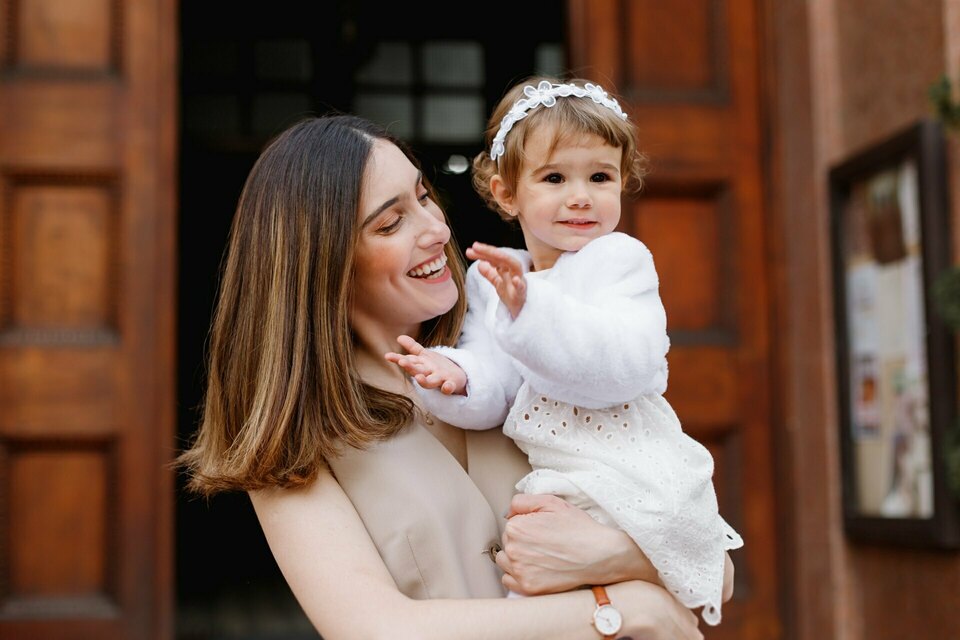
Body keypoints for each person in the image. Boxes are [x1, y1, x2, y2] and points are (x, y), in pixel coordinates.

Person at [177, 112, 719, 639]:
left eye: (424, 196)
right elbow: (374, 628)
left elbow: (715, 562)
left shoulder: (536, 347)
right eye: (391, 222)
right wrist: (625, 607)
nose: (436, 229)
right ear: (322, 263)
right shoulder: (292, 435)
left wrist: (610, 554)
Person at [386, 76, 743, 625]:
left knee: (643, 601)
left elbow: (624, 363)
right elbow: (499, 381)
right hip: (558, 474)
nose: (580, 195)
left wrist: (532, 314)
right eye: (554, 177)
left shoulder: (619, 263)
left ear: (622, 183)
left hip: (628, 462)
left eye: (600, 176)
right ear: (507, 193)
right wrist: (455, 376)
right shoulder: (496, 281)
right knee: (540, 586)